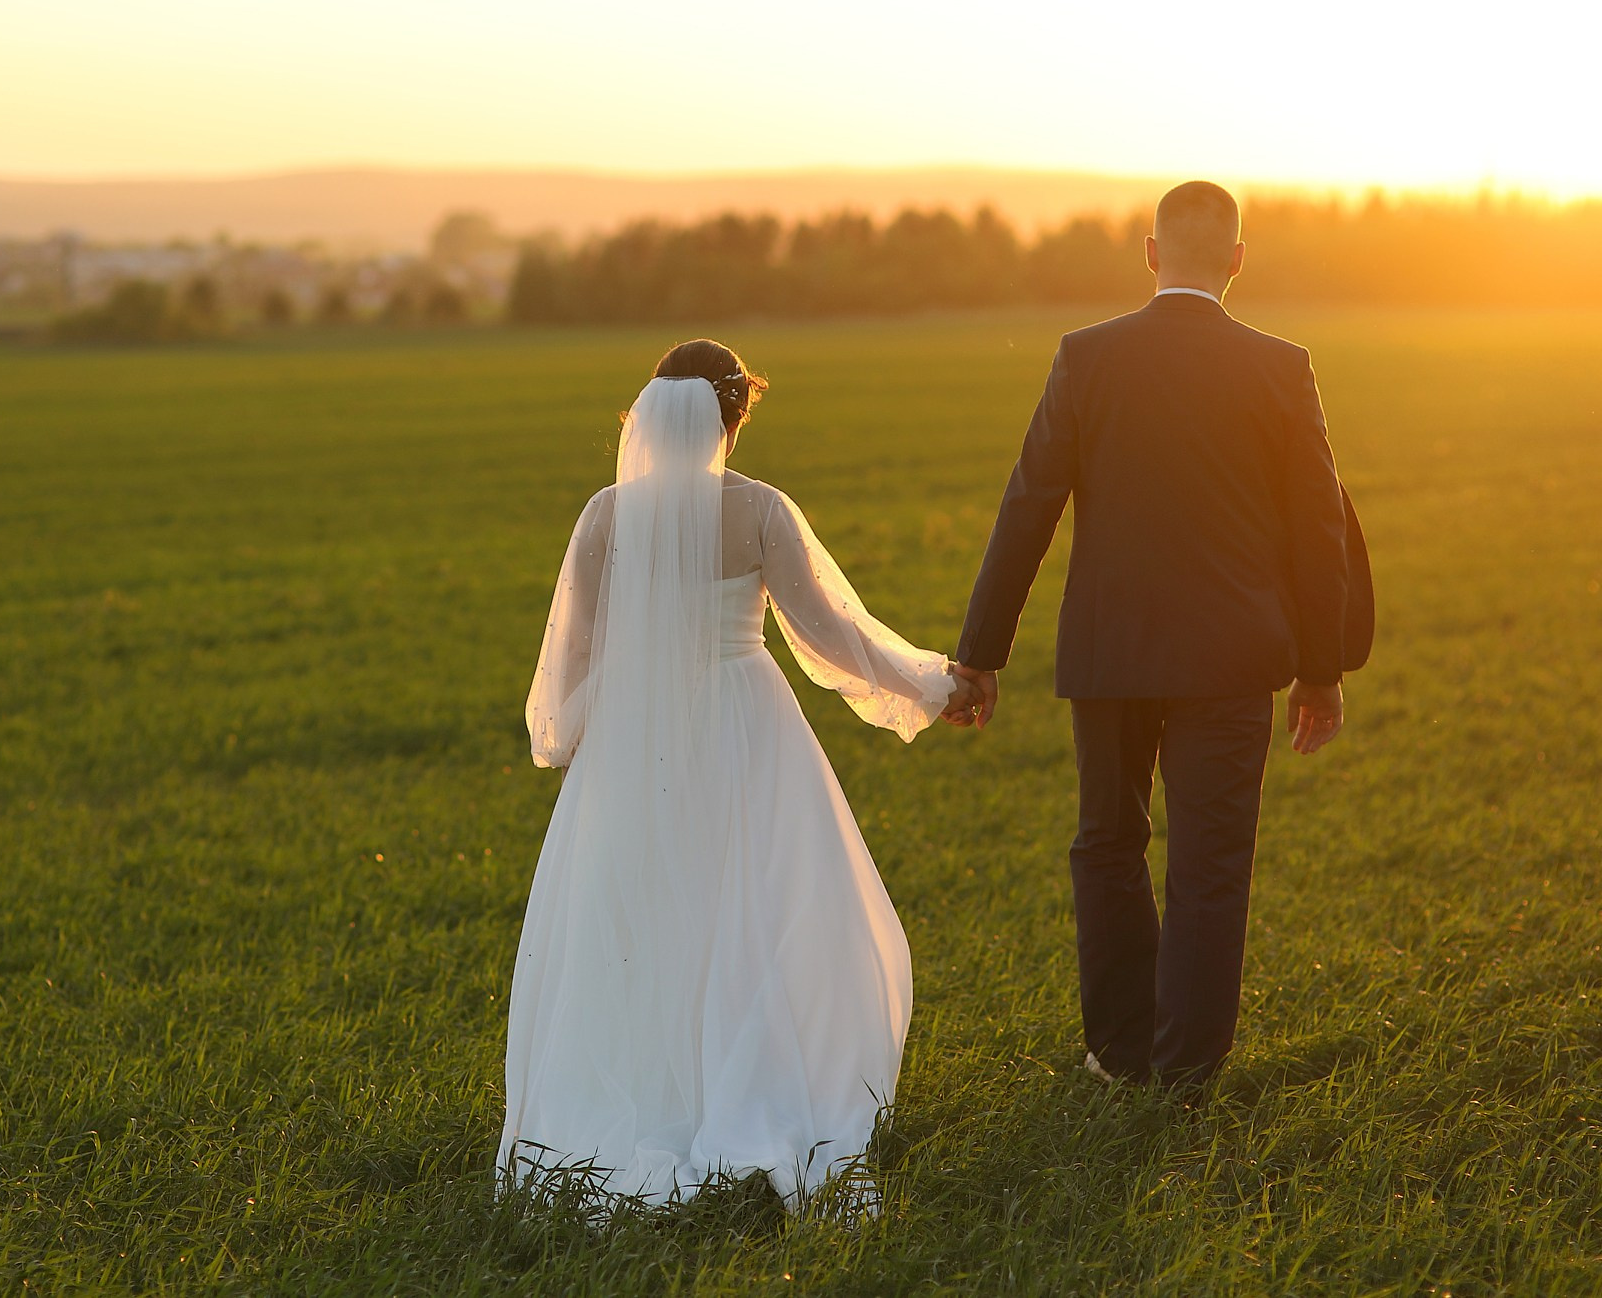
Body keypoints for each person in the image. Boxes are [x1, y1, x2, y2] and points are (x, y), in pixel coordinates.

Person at [496, 339, 981, 1209]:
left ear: (646, 414)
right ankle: (764, 1083)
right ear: (733, 416)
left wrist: (573, 735)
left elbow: (570, 650)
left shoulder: (606, 515)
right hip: (746, 723)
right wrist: (932, 683)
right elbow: (832, 634)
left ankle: (653, 1094)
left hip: (634, 736)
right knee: (768, 908)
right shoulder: (759, 509)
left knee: (643, 914)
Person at [947, 181, 1369, 1092]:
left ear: (1150, 254)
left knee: (1107, 841)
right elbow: (1319, 530)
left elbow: (1028, 506)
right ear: (1237, 259)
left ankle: (1118, 1050)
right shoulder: (1281, 365)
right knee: (1211, 860)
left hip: (1110, 654)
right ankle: (1187, 1069)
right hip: (1234, 657)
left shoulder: (1086, 357)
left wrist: (980, 652)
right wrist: (1321, 672)